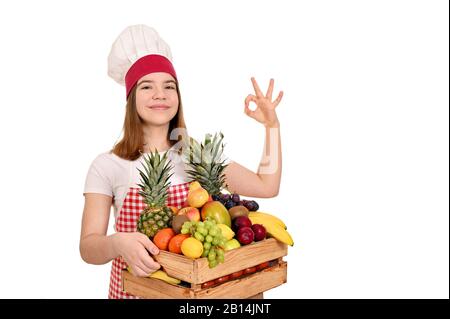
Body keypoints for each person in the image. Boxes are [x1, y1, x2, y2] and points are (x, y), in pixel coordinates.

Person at [79, 24, 284, 299]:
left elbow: (266, 185)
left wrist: (272, 127)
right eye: (147, 86)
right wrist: (117, 243)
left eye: (169, 86)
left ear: (178, 96)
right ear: (131, 98)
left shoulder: (199, 157)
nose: (160, 94)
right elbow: (88, 248)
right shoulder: (108, 165)